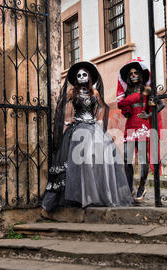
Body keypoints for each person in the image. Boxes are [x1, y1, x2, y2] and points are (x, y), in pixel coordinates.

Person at [42, 61, 132, 213]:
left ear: (89, 76)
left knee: (95, 161)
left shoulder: (95, 93)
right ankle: (80, 197)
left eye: (85, 74)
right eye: (79, 75)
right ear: (75, 79)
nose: (82, 77)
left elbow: (104, 107)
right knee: (77, 163)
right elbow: (60, 106)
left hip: (93, 129)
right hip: (77, 130)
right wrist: (67, 118)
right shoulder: (72, 93)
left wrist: (98, 118)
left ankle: (94, 195)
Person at [117, 58, 163, 203]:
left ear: (140, 74)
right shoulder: (126, 92)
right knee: (126, 158)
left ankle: (141, 188)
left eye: (135, 73)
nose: (133, 75)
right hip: (130, 127)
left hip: (142, 127)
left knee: (143, 160)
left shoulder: (146, 90)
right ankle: (129, 189)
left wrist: (149, 114)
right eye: (130, 74)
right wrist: (126, 111)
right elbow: (125, 112)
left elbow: (160, 105)